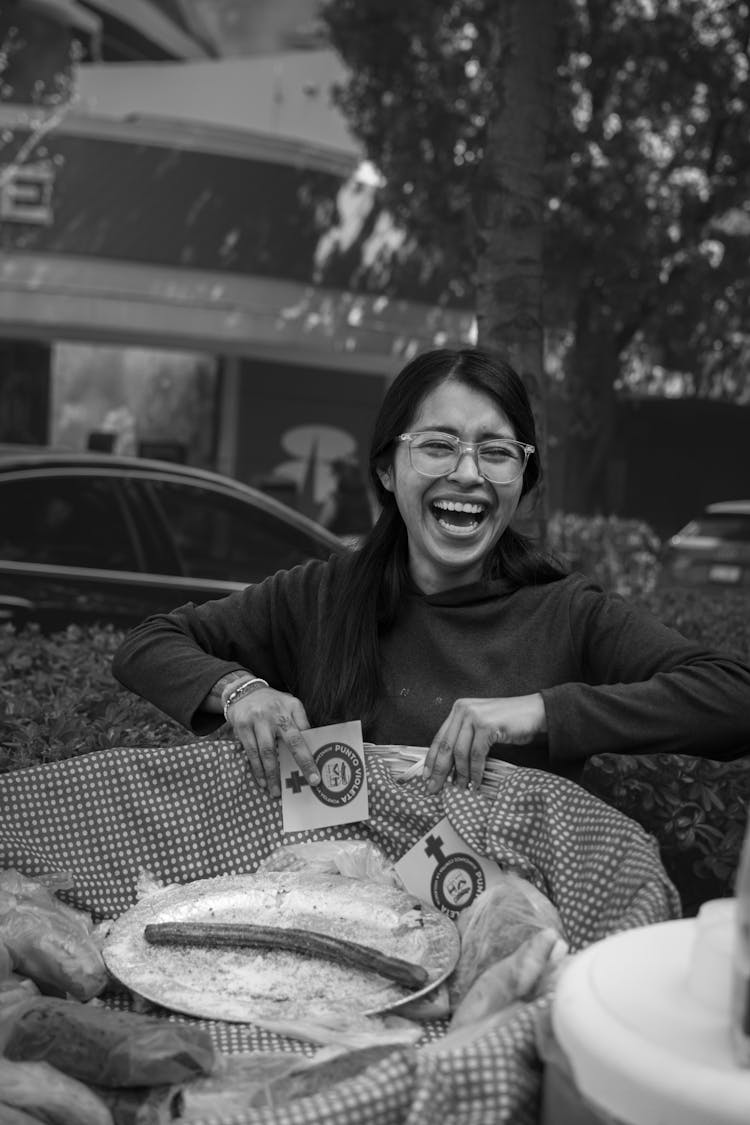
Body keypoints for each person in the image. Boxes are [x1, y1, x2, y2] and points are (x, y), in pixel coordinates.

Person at [112, 347, 750, 800]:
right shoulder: (319, 596)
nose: (469, 474)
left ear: (522, 482)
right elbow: (148, 643)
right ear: (389, 470)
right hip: (331, 918)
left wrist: (542, 712)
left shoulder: (568, 612)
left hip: (500, 929)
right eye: (439, 446)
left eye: (497, 452)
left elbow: (733, 695)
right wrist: (239, 691)